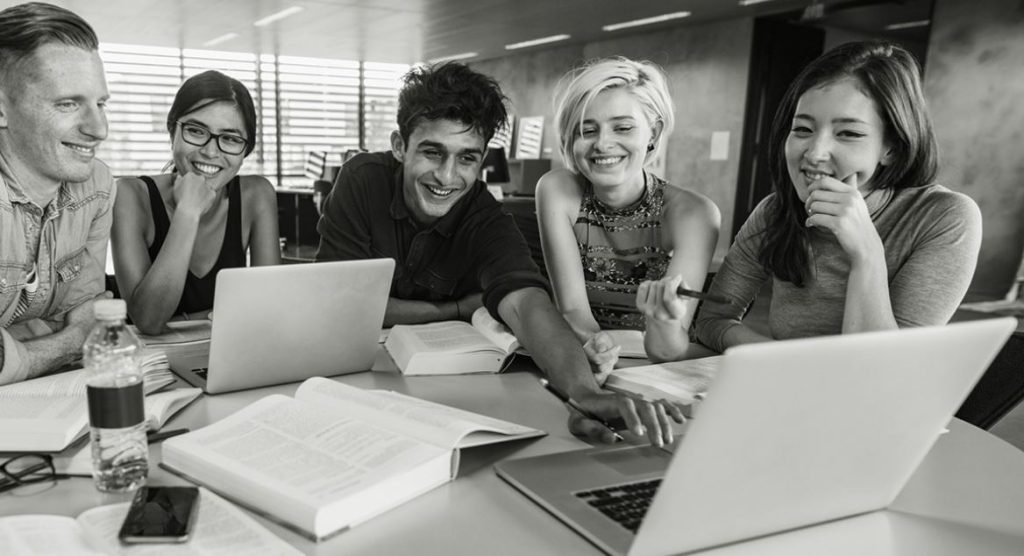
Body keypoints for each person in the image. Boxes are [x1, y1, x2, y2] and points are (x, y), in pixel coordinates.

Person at [317, 62, 681, 447]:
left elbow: (526, 304)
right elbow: (342, 304)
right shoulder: (361, 179)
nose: (446, 176)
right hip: (352, 378)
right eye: (432, 152)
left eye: (467, 158)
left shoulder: (484, 217)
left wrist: (584, 394)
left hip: (439, 389)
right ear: (398, 146)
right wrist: (456, 308)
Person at [694, 41, 982, 353]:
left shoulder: (945, 217)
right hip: (789, 390)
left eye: (848, 133)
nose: (815, 153)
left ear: (892, 147)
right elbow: (713, 321)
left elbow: (882, 368)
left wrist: (866, 253)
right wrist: (782, 362)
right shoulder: (774, 211)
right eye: (803, 129)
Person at [536, 57, 720, 367]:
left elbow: (669, 350)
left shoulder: (694, 213)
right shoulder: (557, 190)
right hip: (590, 357)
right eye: (587, 130)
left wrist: (663, 322)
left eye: (622, 127)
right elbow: (573, 312)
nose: (603, 144)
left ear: (653, 132)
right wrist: (598, 348)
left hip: (664, 366)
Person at [111, 70, 280, 334]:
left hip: (233, 354)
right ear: (172, 130)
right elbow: (148, 321)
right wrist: (188, 212)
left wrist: (184, 320)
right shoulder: (130, 195)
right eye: (196, 131)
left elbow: (270, 309)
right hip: (153, 365)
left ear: (246, 149)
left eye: (231, 139)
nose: (211, 152)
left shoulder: (256, 195)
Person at [0, 2, 114, 385]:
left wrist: (24, 355)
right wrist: (67, 344)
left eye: (100, 103)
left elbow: (90, 311)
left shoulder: (96, 185)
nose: (99, 130)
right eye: (68, 103)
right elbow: (81, 335)